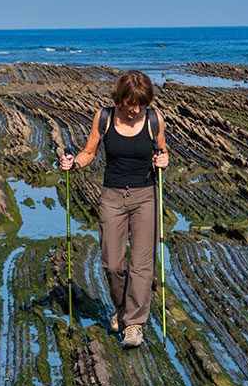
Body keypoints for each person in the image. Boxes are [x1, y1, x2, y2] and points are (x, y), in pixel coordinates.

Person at [60, 70, 169, 348]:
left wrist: (163, 161)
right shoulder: (104, 117)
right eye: (131, 103)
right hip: (112, 197)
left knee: (142, 265)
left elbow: (162, 152)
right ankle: (121, 311)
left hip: (145, 196)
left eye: (140, 104)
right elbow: (89, 152)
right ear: (120, 97)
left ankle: (134, 324)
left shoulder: (155, 120)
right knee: (112, 263)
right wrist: (73, 164)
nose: (135, 109)